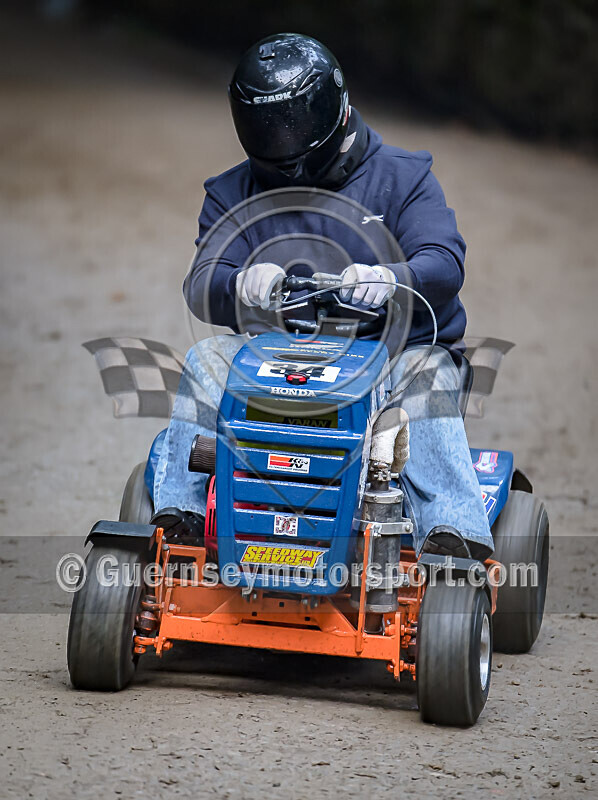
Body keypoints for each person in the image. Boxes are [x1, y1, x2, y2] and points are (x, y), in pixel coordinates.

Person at [151, 33, 493, 560]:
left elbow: (444, 262)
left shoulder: (403, 177)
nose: (282, 138)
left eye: (293, 124)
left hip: (391, 358)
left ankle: (453, 533)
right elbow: (202, 283)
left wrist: (391, 278)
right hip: (278, 359)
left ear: (332, 108)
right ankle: (181, 520)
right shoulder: (232, 192)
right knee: (206, 358)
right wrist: (237, 284)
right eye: (269, 127)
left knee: (427, 374)